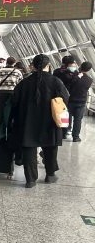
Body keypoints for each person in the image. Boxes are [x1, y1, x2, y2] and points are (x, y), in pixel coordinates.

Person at [10, 54, 69, 188]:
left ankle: (30, 180)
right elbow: (65, 99)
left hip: (27, 122)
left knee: (29, 149)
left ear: (33, 66)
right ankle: (50, 175)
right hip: (50, 121)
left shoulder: (24, 83)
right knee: (50, 147)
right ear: (48, 66)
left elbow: (14, 102)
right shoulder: (56, 81)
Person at [53, 55, 79, 139]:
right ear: (68, 64)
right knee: (67, 113)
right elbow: (74, 82)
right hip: (68, 96)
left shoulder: (56, 71)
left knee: (57, 111)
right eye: (72, 63)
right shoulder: (72, 73)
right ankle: (66, 130)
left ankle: (58, 128)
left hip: (57, 96)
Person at [67, 61, 93, 142]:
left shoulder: (74, 76)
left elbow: (70, 85)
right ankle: (76, 137)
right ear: (89, 70)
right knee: (78, 120)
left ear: (80, 66)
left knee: (67, 117)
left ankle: (65, 132)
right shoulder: (90, 80)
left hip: (71, 100)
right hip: (81, 102)